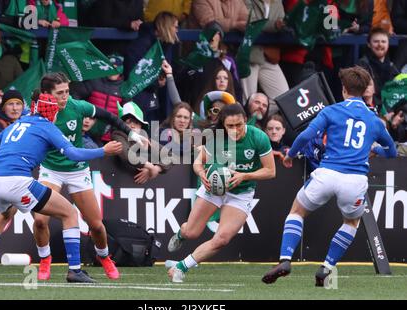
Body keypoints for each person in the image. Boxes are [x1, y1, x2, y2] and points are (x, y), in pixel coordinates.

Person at [0, 93, 123, 283]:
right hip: (17, 182)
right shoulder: (47, 126)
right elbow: (72, 153)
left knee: (5, 214)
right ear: (52, 112)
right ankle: (75, 270)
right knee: (69, 214)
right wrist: (102, 151)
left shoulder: (16, 124)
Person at [261, 66, 397, 287]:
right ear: (364, 90)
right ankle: (326, 266)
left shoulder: (331, 111)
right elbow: (391, 152)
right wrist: (374, 150)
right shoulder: (374, 120)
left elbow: (306, 135)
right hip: (355, 180)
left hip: (328, 173)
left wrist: (291, 154)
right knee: (351, 222)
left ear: (344, 89)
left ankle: (285, 259)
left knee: (297, 211)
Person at [32, 72, 147, 281]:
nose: (65, 96)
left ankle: (104, 257)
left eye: (67, 91)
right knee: (40, 220)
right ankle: (45, 260)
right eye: (60, 93)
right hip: (51, 170)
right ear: (46, 94)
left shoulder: (78, 106)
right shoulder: (38, 114)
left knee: (95, 224)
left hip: (77, 171)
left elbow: (109, 116)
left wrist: (131, 134)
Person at [166, 103, 276, 283]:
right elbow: (198, 163)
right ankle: (181, 233)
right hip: (214, 188)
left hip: (241, 192)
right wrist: (202, 174)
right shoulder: (216, 139)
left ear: (245, 121)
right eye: (230, 126)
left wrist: (245, 176)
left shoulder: (259, 138)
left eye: (239, 125)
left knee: (222, 239)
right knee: (192, 232)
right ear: (223, 125)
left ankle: (181, 267)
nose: (235, 130)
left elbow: (271, 171)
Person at [241, 0, 289, 113]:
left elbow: (282, 24)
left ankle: (260, 120)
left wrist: (283, 25)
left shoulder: (277, 2)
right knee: (248, 100)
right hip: (250, 55)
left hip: (269, 55)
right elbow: (251, 22)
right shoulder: (247, 1)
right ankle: (247, 126)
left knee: (284, 99)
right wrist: (275, 25)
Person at [112, 101, 171, 184]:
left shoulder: (145, 139)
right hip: (117, 183)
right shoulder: (118, 135)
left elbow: (170, 155)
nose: (132, 125)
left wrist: (156, 168)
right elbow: (127, 155)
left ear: (141, 126)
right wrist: (148, 165)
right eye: (128, 122)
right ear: (121, 124)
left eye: (136, 122)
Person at [357, 28, 399, 108]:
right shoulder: (362, 65)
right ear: (369, 44)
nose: (380, 44)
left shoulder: (391, 66)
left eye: (383, 41)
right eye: (376, 41)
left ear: (388, 44)